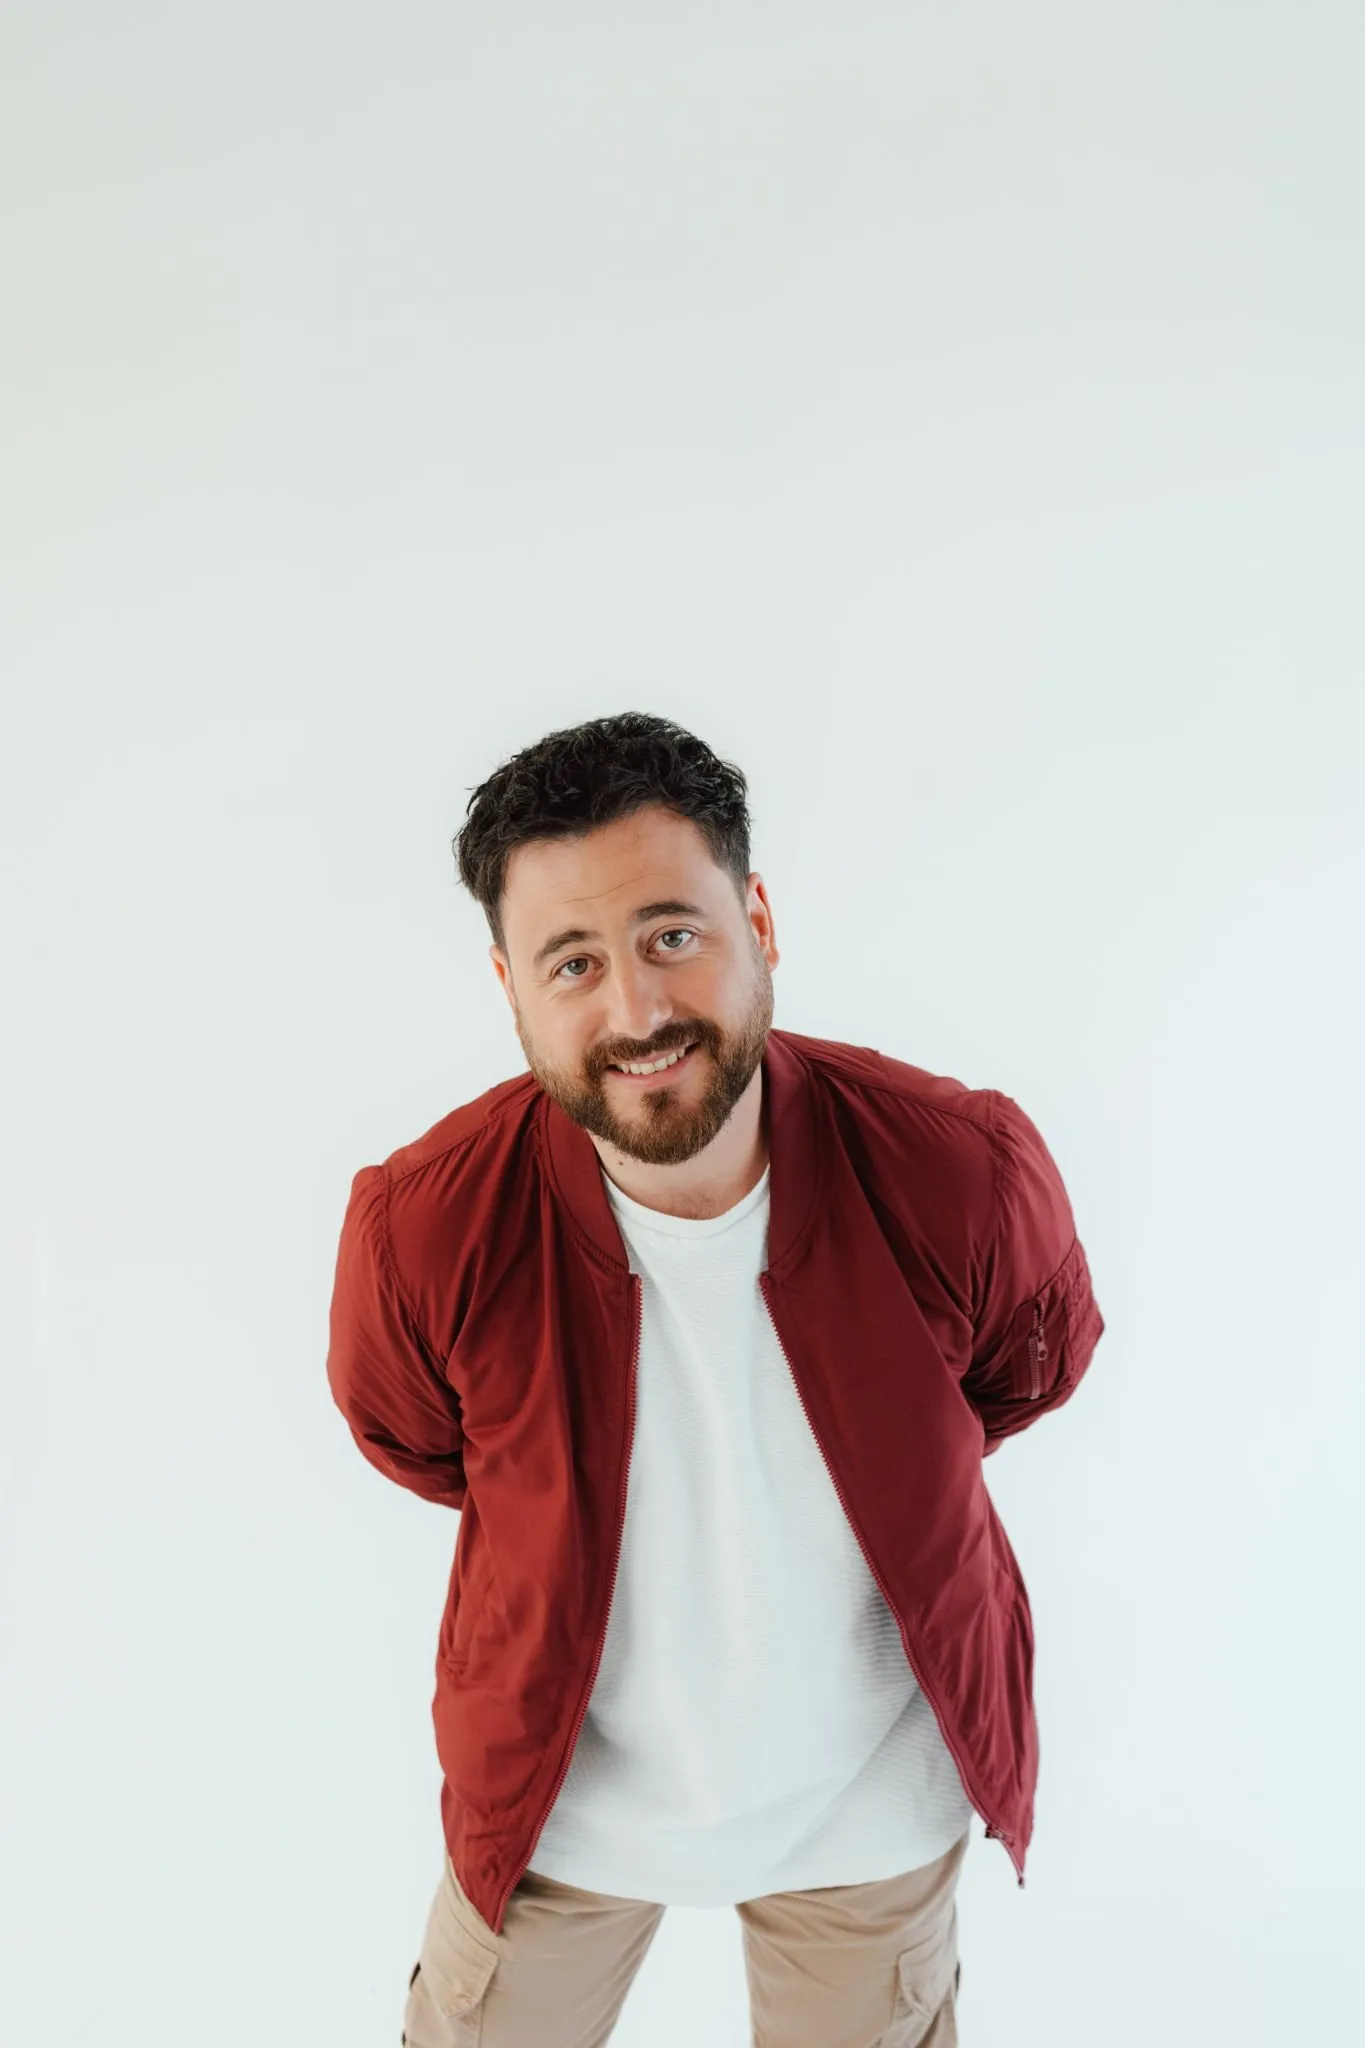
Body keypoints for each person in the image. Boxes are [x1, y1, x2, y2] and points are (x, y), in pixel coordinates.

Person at [325, 711, 1106, 2047]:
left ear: (759, 922)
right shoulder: (426, 1230)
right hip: (554, 1801)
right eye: (574, 962)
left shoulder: (961, 1172)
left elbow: (1022, 1371)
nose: (636, 1012)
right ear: (510, 986)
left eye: (672, 936)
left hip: (867, 1804)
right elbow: (416, 1439)